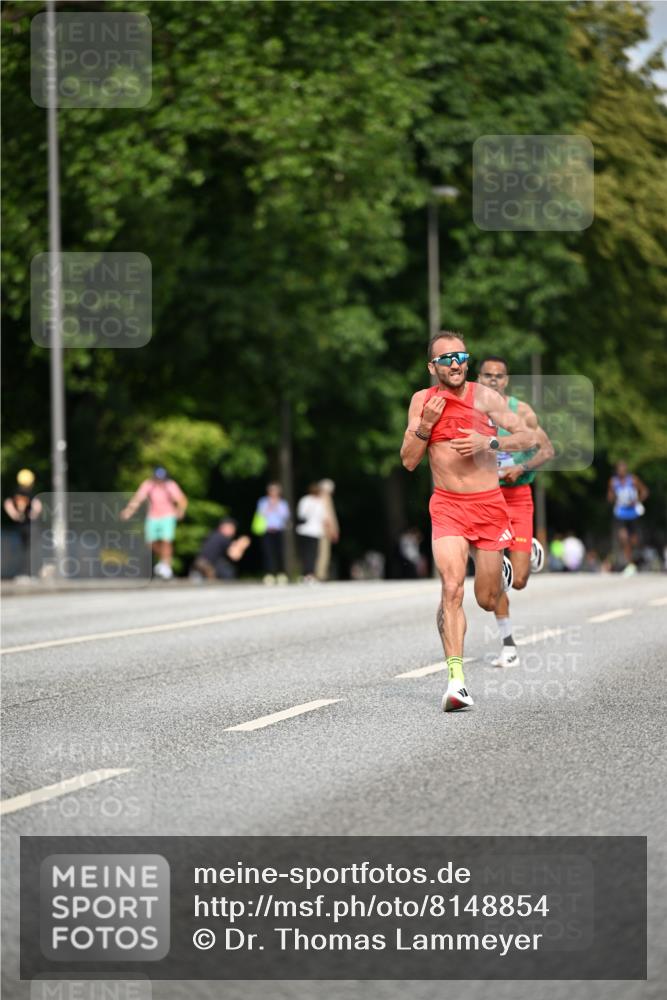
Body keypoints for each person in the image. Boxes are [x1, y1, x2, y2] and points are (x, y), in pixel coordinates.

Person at [400, 331, 537, 712]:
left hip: (490, 505)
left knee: (487, 598)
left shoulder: (485, 397)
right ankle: (456, 682)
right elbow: (409, 460)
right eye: (446, 359)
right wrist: (425, 426)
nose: (456, 363)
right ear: (433, 367)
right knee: (451, 588)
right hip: (447, 507)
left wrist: (488, 443)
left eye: (461, 356)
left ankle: (505, 569)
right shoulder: (422, 402)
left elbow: (528, 436)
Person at [477, 356, 555, 667]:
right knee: (497, 576)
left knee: (519, 580)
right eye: (487, 375)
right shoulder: (469, 410)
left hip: (518, 495)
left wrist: (520, 467)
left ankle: (529, 547)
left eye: (499, 376)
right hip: (485, 498)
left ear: (506, 380)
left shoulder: (521, 411)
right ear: (479, 378)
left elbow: (547, 450)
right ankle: (508, 644)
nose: (493, 380)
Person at [120, 467, 187, 579]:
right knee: (150, 543)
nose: (160, 481)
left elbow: (182, 500)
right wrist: (128, 511)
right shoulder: (148, 485)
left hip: (167, 515)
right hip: (153, 516)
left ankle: (166, 566)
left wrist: (180, 511)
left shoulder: (170, 485)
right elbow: (138, 499)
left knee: (166, 541)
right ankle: (164, 560)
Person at [607, 460, 649, 571]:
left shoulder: (633, 480)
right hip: (620, 513)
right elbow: (610, 496)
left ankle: (637, 557)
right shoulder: (613, 482)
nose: (621, 472)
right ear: (617, 471)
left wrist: (637, 500)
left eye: (623, 469)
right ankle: (629, 564)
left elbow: (645, 491)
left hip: (633, 513)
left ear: (626, 470)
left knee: (634, 541)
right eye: (619, 470)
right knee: (624, 539)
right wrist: (612, 498)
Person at [3, 469, 42, 576]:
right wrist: (33, 514)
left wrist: (14, 515)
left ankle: (25, 572)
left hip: (20, 526)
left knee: (23, 549)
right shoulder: (30, 493)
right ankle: (29, 572)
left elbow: (7, 503)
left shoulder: (15, 492)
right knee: (31, 550)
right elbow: (37, 505)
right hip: (30, 525)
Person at [254, 482, 290, 584]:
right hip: (267, 530)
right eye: (271, 490)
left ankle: (281, 574)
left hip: (278, 530)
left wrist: (277, 506)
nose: (273, 492)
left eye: (275, 490)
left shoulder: (283, 503)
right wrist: (270, 506)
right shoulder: (263, 501)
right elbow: (261, 514)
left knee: (280, 553)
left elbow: (285, 515)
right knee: (268, 553)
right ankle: (269, 574)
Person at [295, 483, 328, 582]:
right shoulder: (319, 502)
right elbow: (323, 518)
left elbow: (301, 514)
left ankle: (307, 573)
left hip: (306, 531)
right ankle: (309, 573)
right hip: (313, 531)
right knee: (312, 553)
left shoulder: (305, 500)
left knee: (306, 553)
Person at [315, 478, 340, 581]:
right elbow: (328, 516)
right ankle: (321, 574)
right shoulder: (325, 498)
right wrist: (333, 530)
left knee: (320, 552)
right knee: (323, 552)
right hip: (324, 530)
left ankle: (320, 573)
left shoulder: (317, 498)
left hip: (318, 529)